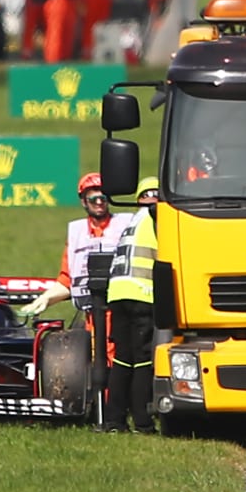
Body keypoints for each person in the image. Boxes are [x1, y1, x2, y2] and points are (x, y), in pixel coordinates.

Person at [19, 172, 134, 318]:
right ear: (84, 201)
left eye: (103, 198)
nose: (99, 203)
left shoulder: (127, 223)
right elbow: (67, 280)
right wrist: (45, 299)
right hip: (91, 315)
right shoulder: (76, 233)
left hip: (124, 315)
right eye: (93, 199)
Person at [101, 176, 160, 433]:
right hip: (142, 293)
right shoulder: (159, 216)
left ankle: (114, 420)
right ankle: (143, 422)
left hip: (118, 292)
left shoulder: (133, 220)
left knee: (123, 359)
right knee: (143, 360)